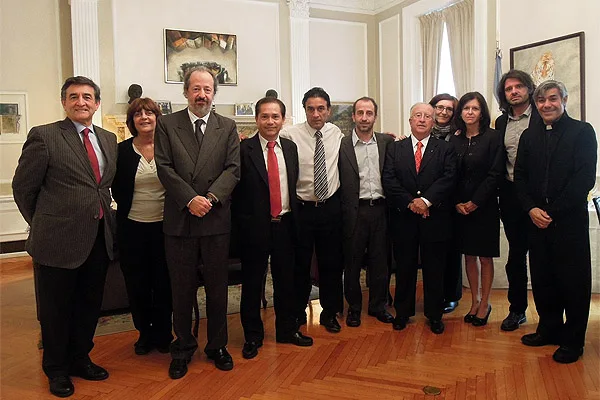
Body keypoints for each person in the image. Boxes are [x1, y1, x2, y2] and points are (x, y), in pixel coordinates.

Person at [12, 76, 117, 398]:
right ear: (64, 102)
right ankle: (55, 368)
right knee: (56, 308)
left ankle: (80, 358)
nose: (81, 102)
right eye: (74, 96)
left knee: (89, 305)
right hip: (57, 239)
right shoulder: (44, 136)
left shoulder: (108, 139)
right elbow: (23, 188)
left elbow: (102, 186)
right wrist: (44, 223)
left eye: (87, 97)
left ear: (97, 103)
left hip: (98, 236)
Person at [154, 66, 240, 378]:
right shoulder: (167, 124)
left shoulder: (227, 127)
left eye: (207, 89)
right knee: (181, 290)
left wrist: (211, 198)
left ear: (214, 93)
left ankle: (218, 346)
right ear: (186, 91)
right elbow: (164, 168)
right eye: (196, 89)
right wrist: (190, 199)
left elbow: (233, 169)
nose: (202, 95)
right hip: (180, 221)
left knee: (218, 289)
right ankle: (183, 347)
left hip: (215, 220)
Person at [514, 80, 597, 364]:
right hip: (536, 222)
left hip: (568, 223)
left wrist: (552, 212)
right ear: (536, 104)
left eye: (552, 99)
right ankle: (548, 329)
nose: (547, 104)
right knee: (543, 279)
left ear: (564, 99)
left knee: (573, 283)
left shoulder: (582, 132)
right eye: (541, 100)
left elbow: (584, 179)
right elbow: (520, 178)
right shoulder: (529, 136)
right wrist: (531, 209)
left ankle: (573, 341)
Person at [233, 97, 313, 360]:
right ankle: (252, 337)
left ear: (283, 119)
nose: (270, 122)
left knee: (286, 283)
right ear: (257, 119)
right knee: (253, 285)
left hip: (285, 226)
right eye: (265, 117)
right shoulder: (243, 150)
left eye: (275, 117)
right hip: (254, 228)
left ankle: (287, 330)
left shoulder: (289, 148)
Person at [382, 102, 456, 335]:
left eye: (427, 116)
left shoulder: (445, 149)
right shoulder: (396, 148)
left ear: (433, 122)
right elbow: (389, 179)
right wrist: (410, 203)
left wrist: (426, 201)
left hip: (434, 218)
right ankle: (402, 313)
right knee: (404, 268)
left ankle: (434, 315)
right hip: (404, 218)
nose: (422, 119)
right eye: (418, 115)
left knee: (435, 269)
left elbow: (449, 178)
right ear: (410, 120)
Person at [280, 87, 345, 334]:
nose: (316, 114)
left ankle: (330, 313)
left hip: (330, 208)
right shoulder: (290, 135)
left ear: (328, 110)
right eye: (310, 109)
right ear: (304, 110)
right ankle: (297, 312)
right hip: (302, 210)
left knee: (331, 264)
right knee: (300, 264)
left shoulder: (336, 133)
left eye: (320, 109)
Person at [111, 98, 173, 356]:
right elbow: (112, 186)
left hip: (165, 228)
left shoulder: (169, 149)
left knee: (163, 283)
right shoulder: (121, 151)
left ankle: (162, 333)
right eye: (138, 114)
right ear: (131, 120)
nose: (144, 117)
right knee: (137, 285)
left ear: (158, 117)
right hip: (132, 229)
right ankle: (144, 334)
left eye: (149, 113)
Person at [339, 97, 394, 327]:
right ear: (353, 116)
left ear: (375, 116)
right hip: (354, 211)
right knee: (351, 263)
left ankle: (378, 305)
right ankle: (354, 307)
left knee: (381, 261)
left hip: (381, 210)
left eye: (368, 113)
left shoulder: (387, 142)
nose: (364, 117)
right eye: (360, 113)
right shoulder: (341, 145)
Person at [451, 92, 503, 327]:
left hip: (485, 207)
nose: (470, 112)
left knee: (485, 257)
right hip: (460, 207)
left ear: (482, 112)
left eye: (475, 108)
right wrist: (457, 202)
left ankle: (486, 303)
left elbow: (495, 174)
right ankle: (475, 300)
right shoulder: (455, 140)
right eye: (466, 108)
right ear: (460, 112)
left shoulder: (493, 138)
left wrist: (476, 202)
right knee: (468, 256)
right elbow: (449, 174)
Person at [495, 69, 540, 332]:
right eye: (509, 88)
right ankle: (516, 310)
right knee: (515, 256)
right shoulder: (501, 123)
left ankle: (549, 313)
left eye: (519, 86)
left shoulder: (541, 116)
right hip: (511, 196)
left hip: (538, 197)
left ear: (528, 88)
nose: (514, 91)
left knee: (543, 255)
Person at [428, 93, 462, 314]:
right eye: (439, 107)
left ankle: (451, 295)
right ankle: (432, 294)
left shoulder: (459, 136)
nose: (443, 112)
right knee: (432, 254)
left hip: (450, 201)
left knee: (451, 252)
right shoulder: (422, 133)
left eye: (449, 109)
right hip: (426, 202)